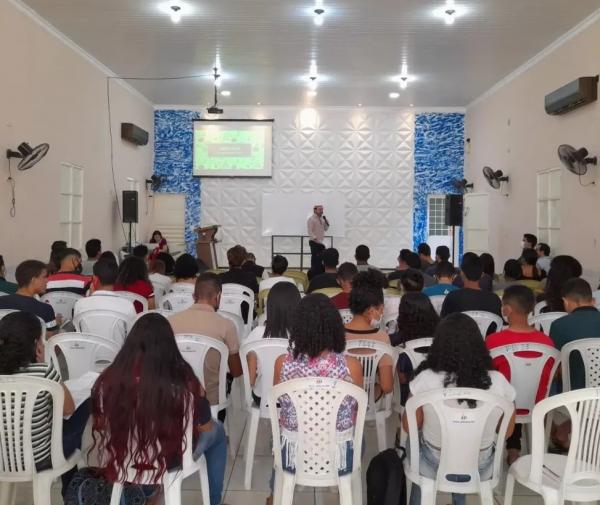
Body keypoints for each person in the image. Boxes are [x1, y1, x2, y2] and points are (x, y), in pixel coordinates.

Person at [90, 314, 227, 505]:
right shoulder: (183, 378)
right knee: (218, 432)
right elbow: (204, 426)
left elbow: (103, 423)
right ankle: (213, 502)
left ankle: (148, 493)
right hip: (172, 458)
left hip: (126, 457)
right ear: (169, 344)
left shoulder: (110, 378)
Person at [402, 313, 516, 505]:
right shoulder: (499, 382)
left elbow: (409, 425)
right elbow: (507, 431)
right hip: (481, 466)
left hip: (434, 464)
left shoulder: (425, 379)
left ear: (439, 345)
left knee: (412, 443)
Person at [267, 293, 363, 504]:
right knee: (359, 438)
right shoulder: (352, 366)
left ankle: (275, 493)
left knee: (278, 435)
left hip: (293, 452)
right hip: (339, 454)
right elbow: (355, 409)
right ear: (335, 326)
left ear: (298, 327)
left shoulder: (281, 363)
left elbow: (279, 404)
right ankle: (346, 488)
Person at [0, 311, 89, 495]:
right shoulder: (44, 372)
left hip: (3, 458)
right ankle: (71, 489)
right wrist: (42, 363)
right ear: (35, 345)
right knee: (85, 405)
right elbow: (68, 409)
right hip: (41, 460)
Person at [485, 285, 555, 464]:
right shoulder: (547, 342)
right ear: (532, 308)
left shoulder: (494, 341)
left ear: (506, 309)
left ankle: (505, 448)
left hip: (503, 406)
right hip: (537, 405)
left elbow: (485, 374)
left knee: (505, 389)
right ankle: (515, 447)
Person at [168, 273, 242, 419]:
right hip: (212, 399)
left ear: (193, 296)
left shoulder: (170, 321)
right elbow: (237, 371)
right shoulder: (226, 325)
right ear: (218, 297)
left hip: (175, 394)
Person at [246, 282, 301, 404]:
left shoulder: (256, 333)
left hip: (262, 397)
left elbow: (250, 379)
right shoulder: (303, 335)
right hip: (295, 399)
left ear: (269, 307)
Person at [345, 269, 394, 396]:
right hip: (371, 398)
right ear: (372, 310)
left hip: (343, 397)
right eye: (381, 309)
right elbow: (387, 386)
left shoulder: (336, 334)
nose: (382, 313)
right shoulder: (382, 338)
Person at [550, 278, 600, 391]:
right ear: (593, 300)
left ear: (566, 301)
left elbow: (555, 369)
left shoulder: (559, 325)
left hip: (573, 395)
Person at [0, 260, 59, 335]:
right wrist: (57, 324)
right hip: (30, 346)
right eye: (44, 277)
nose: (47, 280)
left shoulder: (1, 301)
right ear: (33, 280)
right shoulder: (45, 309)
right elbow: (50, 336)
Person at [441, 254, 502, 322]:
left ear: (462, 273)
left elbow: (443, 323)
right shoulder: (495, 300)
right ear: (482, 275)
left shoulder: (452, 297)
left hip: (459, 332)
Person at [307, 204, 329, 278]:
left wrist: (326, 222)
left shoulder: (322, 219)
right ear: (315, 210)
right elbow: (310, 231)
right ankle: (314, 275)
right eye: (320, 209)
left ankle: (320, 275)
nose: (321, 211)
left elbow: (325, 229)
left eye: (322, 210)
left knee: (321, 259)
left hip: (321, 243)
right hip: (314, 242)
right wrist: (316, 239)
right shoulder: (311, 219)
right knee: (315, 259)